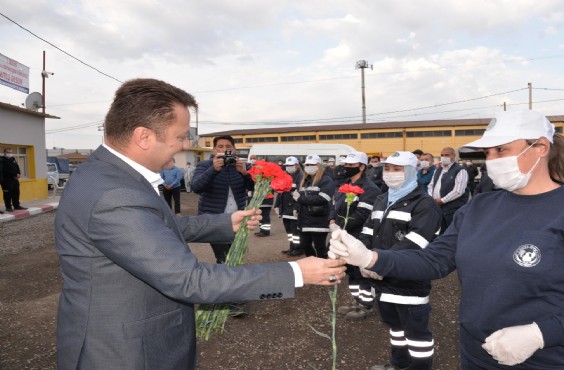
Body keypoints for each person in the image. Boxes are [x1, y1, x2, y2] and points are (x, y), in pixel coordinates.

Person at [54, 78, 346, 370]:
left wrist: (223, 223)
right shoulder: (114, 193)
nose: (185, 144)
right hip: (124, 353)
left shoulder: (110, 175)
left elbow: (155, 228)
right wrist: (294, 272)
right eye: (181, 136)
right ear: (144, 136)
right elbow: (190, 280)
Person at [330, 110, 564, 369]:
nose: (492, 158)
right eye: (489, 151)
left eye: (502, 150)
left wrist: (540, 334)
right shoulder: (480, 207)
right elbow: (435, 259)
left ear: (540, 148)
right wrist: (370, 258)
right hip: (476, 354)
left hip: (547, 359)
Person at [337, 151, 442, 370]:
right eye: (388, 168)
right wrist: (364, 259)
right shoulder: (382, 199)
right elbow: (366, 231)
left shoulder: (424, 204)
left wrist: (378, 262)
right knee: (395, 328)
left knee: (416, 336)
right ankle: (398, 364)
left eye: (398, 169)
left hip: (408, 283)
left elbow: (416, 242)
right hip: (382, 281)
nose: (391, 173)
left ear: (412, 172)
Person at [328, 151, 381, 320]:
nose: (346, 168)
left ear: (362, 167)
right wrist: (331, 221)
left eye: (351, 166)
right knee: (350, 271)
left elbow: (361, 215)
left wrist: (339, 229)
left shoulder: (370, 189)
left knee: (361, 272)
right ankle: (356, 300)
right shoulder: (345, 186)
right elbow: (335, 207)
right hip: (343, 235)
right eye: (346, 165)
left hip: (358, 237)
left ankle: (366, 304)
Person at [191, 135, 254, 263]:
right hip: (215, 220)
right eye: (220, 147)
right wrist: (213, 170)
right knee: (223, 257)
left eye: (228, 147)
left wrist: (245, 173)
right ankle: (226, 279)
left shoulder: (242, 166)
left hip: (239, 217)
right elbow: (196, 187)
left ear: (234, 150)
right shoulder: (204, 165)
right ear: (214, 150)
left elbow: (255, 188)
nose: (224, 149)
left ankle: (235, 278)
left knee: (237, 253)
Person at [295, 154, 335, 258]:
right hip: (304, 221)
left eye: (312, 164)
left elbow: (323, 198)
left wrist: (300, 199)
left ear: (319, 165)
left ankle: (324, 268)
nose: (309, 166)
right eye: (307, 164)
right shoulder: (305, 181)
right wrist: (296, 206)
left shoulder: (326, 180)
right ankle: (313, 263)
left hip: (319, 220)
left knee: (320, 248)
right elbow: (300, 198)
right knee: (305, 245)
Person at [427, 147, 468, 234]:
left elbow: (458, 191)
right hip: (438, 208)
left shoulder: (460, 170)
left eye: (447, 155)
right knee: (440, 233)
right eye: (442, 155)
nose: (444, 157)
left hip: (453, 209)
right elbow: (431, 185)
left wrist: (442, 200)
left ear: (453, 156)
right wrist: (431, 198)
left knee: (453, 233)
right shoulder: (438, 170)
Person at [276, 156, 304, 257]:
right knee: (289, 231)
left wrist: (296, 207)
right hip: (285, 208)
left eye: (290, 165)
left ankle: (298, 248)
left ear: (296, 165)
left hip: (293, 209)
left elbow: (300, 194)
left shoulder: (301, 177)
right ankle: (292, 247)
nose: (288, 167)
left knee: (295, 231)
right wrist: (277, 205)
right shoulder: (285, 176)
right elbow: (280, 192)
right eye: (287, 165)